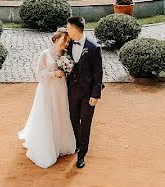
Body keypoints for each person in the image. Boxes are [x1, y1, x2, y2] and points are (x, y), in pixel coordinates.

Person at [17, 29, 76, 168]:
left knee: (60, 113)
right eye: (64, 40)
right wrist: (54, 73)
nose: (66, 44)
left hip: (60, 89)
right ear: (56, 39)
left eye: (68, 41)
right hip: (47, 90)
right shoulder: (45, 54)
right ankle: (46, 146)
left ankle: (61, 144)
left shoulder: (66, 55)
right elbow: (39, 75)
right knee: (48, 114)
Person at [64, 15, 104, 169]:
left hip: (88, 94)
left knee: (85, 122)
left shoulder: (94, 48)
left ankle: (82, 153)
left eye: (68, 28)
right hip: (72, 92)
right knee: (73, 119)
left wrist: (96, 94)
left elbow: (98, 73)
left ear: (74, 29)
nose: (67, 31)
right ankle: (76, 144)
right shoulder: (68, 45)